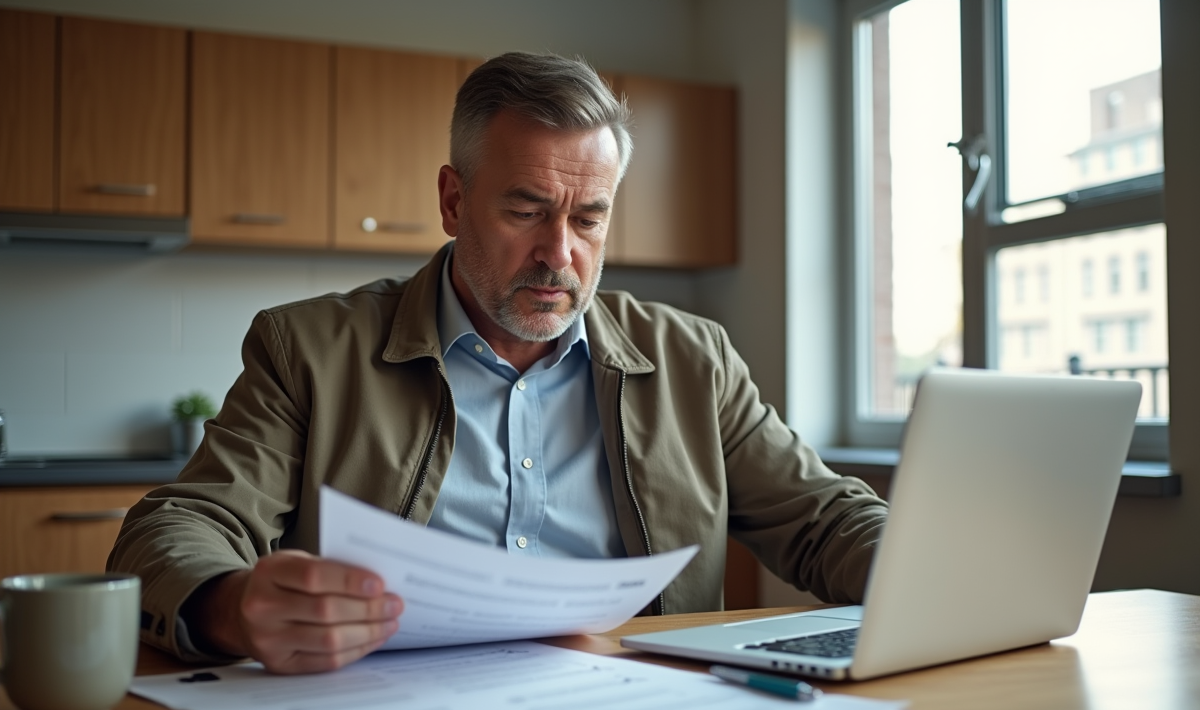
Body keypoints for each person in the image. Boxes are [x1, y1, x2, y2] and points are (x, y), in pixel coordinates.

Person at [109, 52, 887, 675]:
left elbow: (823, 520)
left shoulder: (693, 359)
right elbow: (177, 525)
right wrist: (229, 604)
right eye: (525, 210)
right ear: (453, 202)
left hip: (638, 709)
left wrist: (921, 572)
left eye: (589, 218)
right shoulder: (308, 350)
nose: (559, 253)